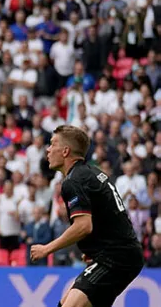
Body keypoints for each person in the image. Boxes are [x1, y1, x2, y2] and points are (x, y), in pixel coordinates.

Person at [30, 125, 144, 307]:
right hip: (116, 254)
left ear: (66, 151)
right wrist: (95, 247)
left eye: (52, 144)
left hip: (116, 257)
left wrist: (47, 249)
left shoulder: (74, 181)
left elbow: (84, 226)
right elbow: (110, 215)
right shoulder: (91, 172)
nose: (48, 149)